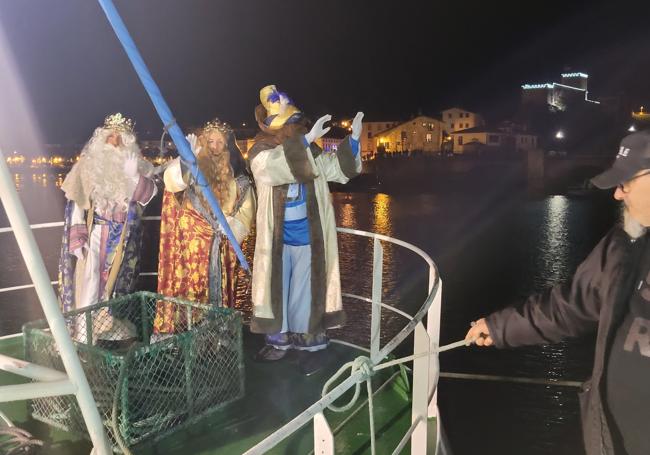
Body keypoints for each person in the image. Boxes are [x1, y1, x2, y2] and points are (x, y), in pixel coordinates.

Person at [465, 130, 650, 455]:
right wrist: (500, 328)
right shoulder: (623, 246)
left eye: (625, 183)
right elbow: (570, 305)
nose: (617, 195)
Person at [247, 84, 363, 374]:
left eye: (296, 122)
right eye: (289, 123)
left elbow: (337, 171)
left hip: (309, 234)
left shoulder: (310, 148)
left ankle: (309, 345)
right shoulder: (260, 150)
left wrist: (354, 141)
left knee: (305, 292)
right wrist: (306, 141)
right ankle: (278, 342)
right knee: (276, 290)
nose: (294, 127)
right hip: (276, 238)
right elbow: (270, 169)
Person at [58, 113, 157, 342]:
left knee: (112, 287)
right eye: (110, 136)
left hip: (122, 238)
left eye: (119, 137)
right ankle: (83, 337)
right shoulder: (88, 166)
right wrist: (77, 238)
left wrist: (134, 177)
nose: (114, 141)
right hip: (95, 233)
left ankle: (104, 332)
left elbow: (149, 196)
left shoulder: (135, 164)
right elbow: (77, 204)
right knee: (89, 284)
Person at [152, 118, 255, 335]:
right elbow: (172, 183)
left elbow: (246, 209)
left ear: (227, 146)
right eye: (211, 142)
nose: (215, 147)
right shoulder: (192, 167)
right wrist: (185, 159)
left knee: (219, 287)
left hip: (223, 244)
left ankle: (217, 335)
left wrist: (230, 227)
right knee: (192, 288)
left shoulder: (238, 176)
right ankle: (189, 333)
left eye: (220, 142)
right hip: (191, 244)